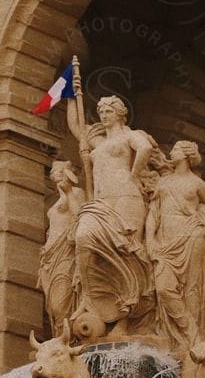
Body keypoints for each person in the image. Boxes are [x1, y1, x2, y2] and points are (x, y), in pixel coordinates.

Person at [67, 94, 157, 335]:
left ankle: (125, 318)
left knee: (128, 253)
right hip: (101, 202)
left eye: (108, 111)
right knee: (84, 238)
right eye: (101, 112)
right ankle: (91, 301)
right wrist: (69, 95)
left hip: (126, 197)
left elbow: (145, 148)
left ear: (120, 113)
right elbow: (76, 127)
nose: (104, 116)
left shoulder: (130, 135)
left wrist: (134, 174)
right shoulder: (97, 142)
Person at [145, 140, 205, 344]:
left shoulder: (197, 183)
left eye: (175, 149)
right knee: (163, 288)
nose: (170, 152)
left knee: (193, 290)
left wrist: (202, 219)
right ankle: (187, 331)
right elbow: (153, 213)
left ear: (186, 155)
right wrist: (150, 239)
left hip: (192, 238)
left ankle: (193, 340)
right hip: (165, 242)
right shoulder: (163, 182)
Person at [38, 161, 86, 333]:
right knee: (51, 305)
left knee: (61, 302)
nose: (55, 172)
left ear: (69, 172)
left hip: (67, 252)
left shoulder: (78, 193)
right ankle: (60, 335)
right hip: (49, 258)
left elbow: (80, 217)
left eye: (60, 169)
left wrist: (69, 193)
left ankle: (69, 336)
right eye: (53, 170)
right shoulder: (55, 202)